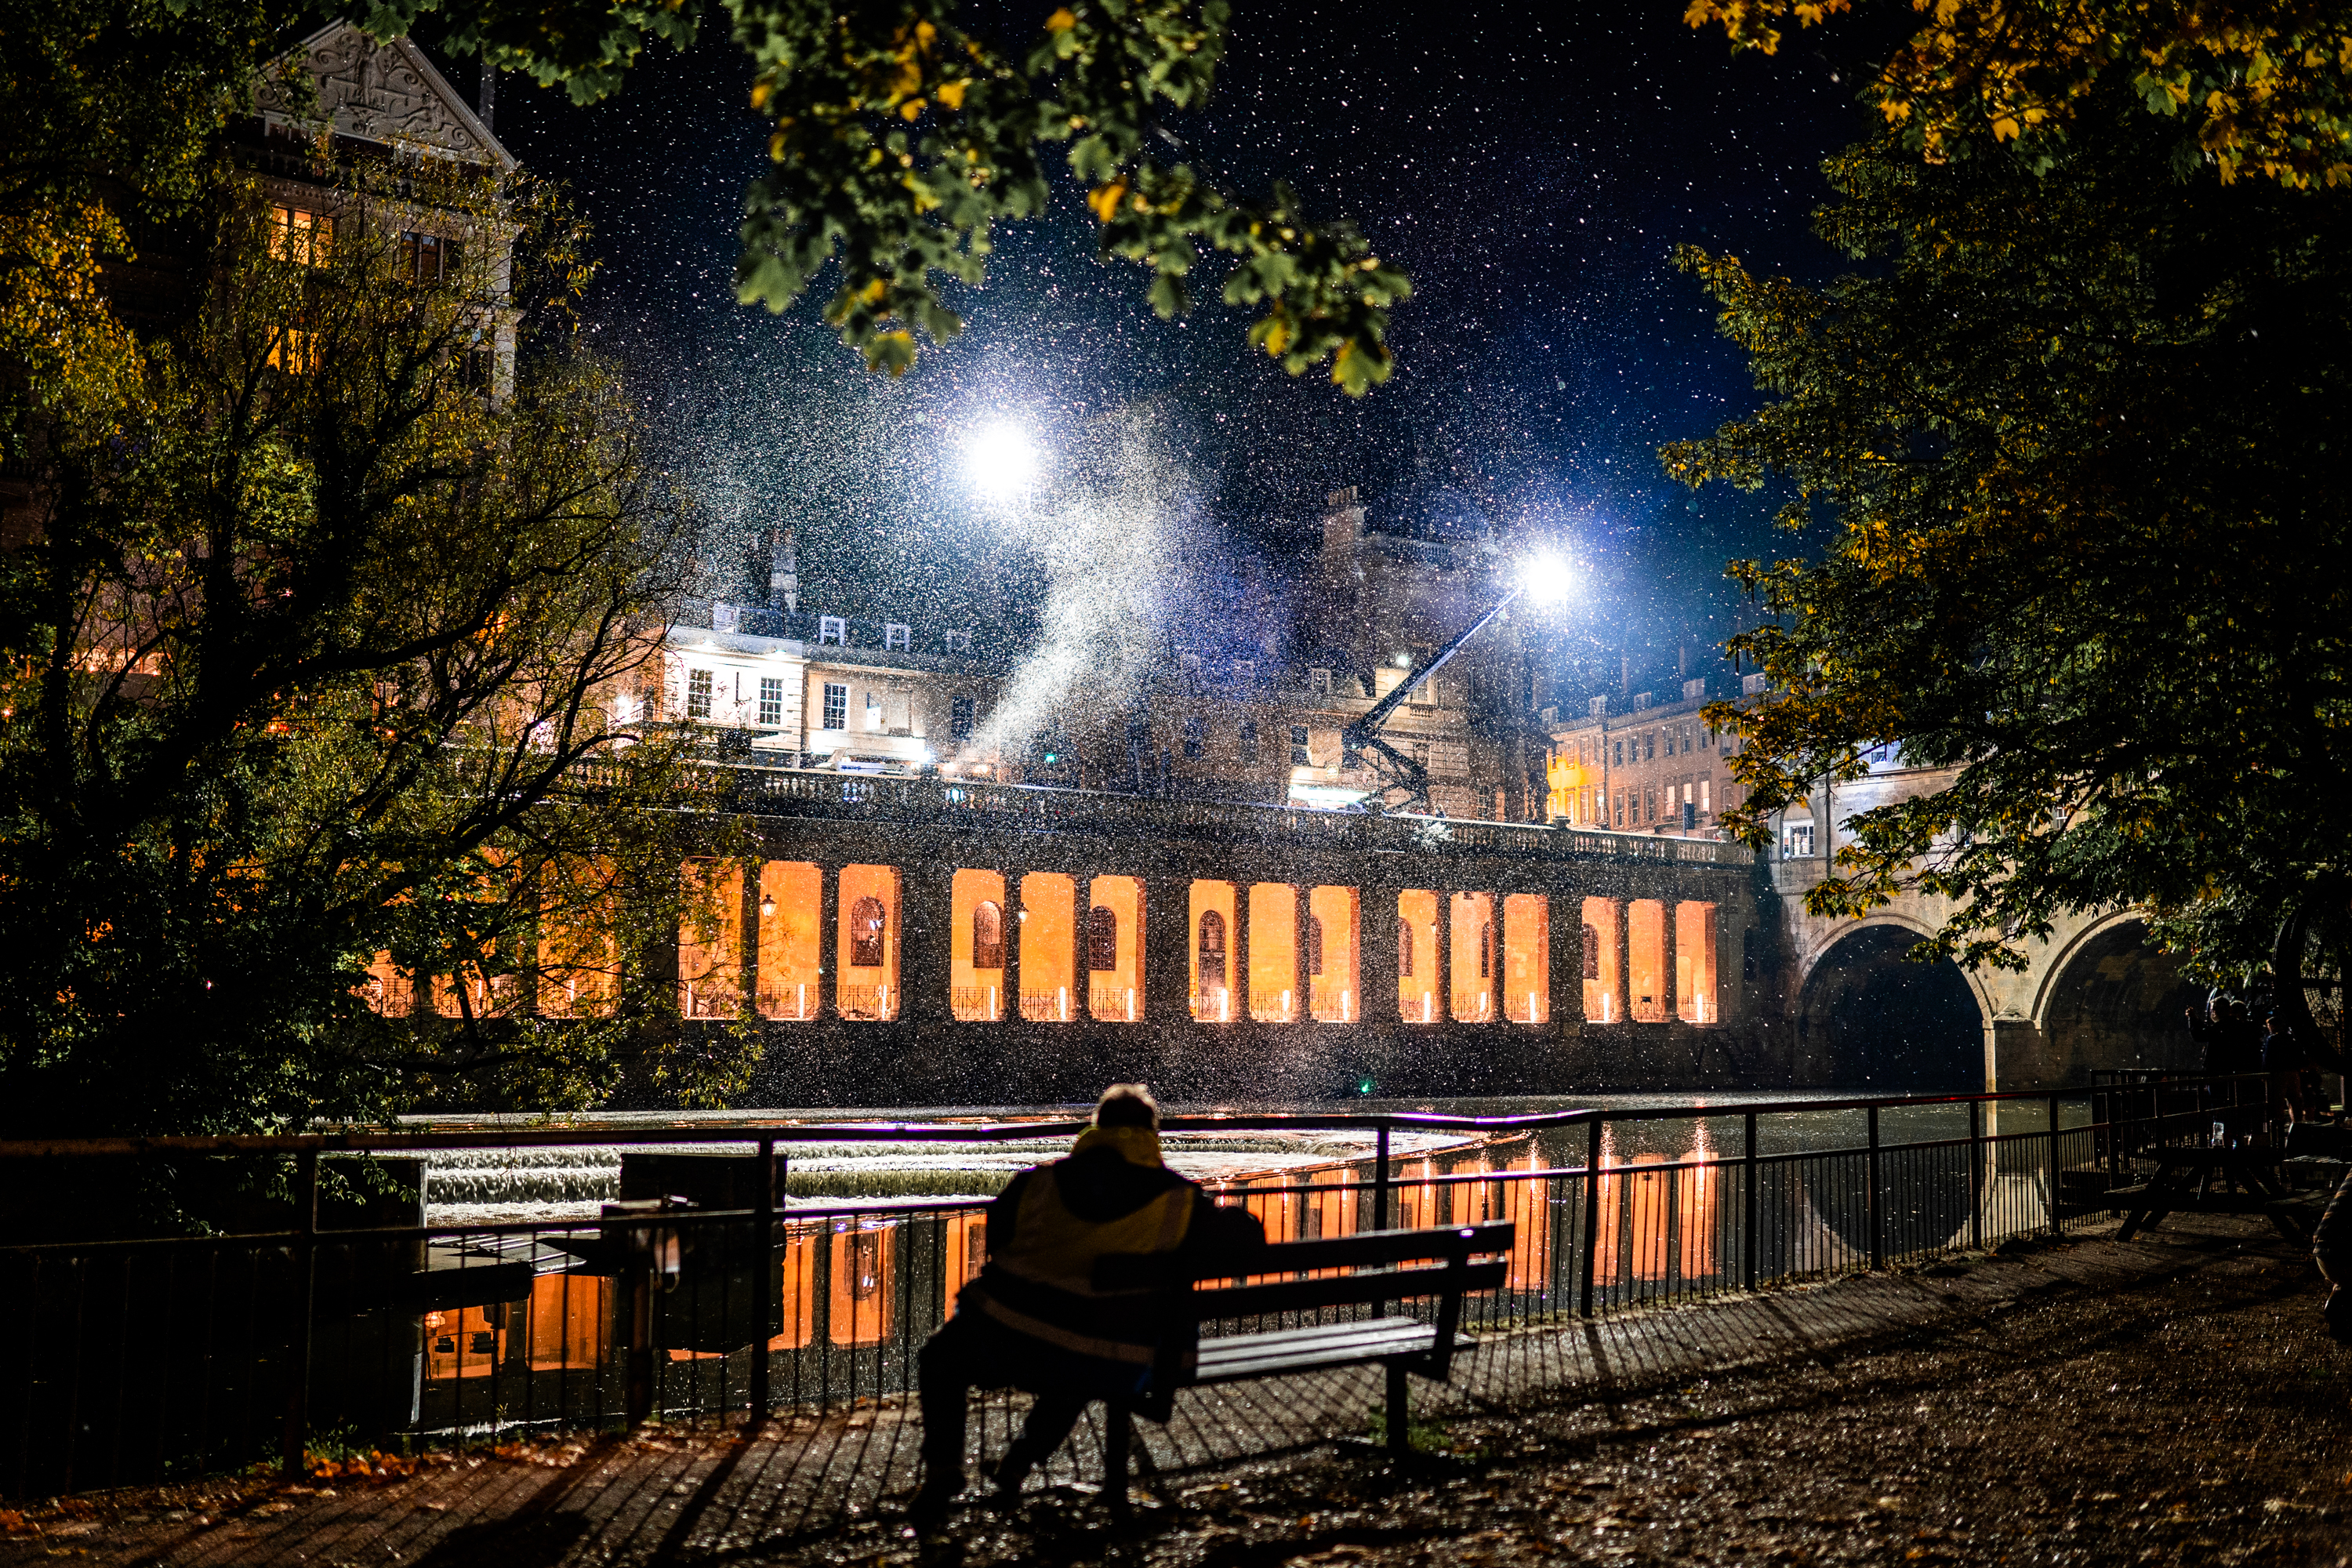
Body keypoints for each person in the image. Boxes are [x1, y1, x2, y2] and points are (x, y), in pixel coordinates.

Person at [909, 1083, 1265, 1530]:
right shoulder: (1179, 1201)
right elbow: (1244, 1245)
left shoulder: (1038, 1182)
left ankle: (943, 1469)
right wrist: (1239, 1216)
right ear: (1151, 1133)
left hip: (1008, 1342)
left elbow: (999, 1240)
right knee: (1079, 1358)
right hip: (1116, 1358)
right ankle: (1018, 1462)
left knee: (942, 1358)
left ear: (1097, 1128)